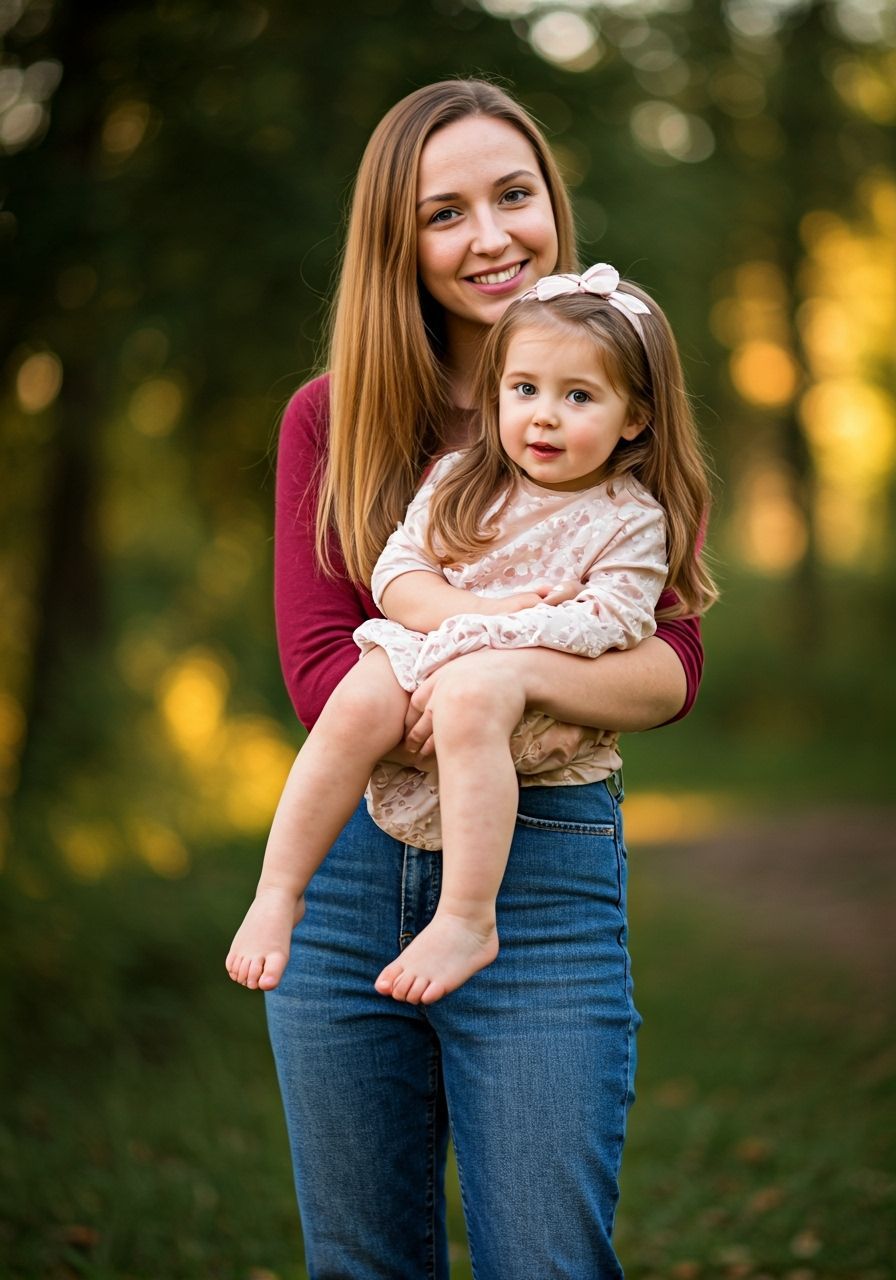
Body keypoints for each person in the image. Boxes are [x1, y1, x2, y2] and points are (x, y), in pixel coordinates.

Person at [256, 79, 708, 1279]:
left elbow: (667, 666)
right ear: (395, 242)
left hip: (544, 865)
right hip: (346, 874)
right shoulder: (332, 419)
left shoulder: (612, 397)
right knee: (361, 1261)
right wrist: (524, 661)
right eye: (442, 212)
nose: (490, 235)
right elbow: (316, 674)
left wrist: (490, 680)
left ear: (551, 203)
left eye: (512, 195)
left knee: (547, 1259)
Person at [226, 265, 715, 1008]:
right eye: (524, 390)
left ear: (635, 417)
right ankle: (279, 890)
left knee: (471, 701)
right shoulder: (460, 477)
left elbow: (617, 619)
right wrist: (480, 618)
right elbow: (397, 577)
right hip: (433, 645)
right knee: (355, 702)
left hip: (514, 688)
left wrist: (500, 649)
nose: (543, 417)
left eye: (578, 396)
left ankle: (466, 916)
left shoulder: (630, 518)